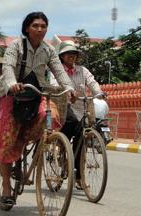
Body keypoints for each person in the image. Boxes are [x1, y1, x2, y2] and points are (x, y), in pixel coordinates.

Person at [0, 12, 76, 204]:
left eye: (43, 26)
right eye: (35, 25)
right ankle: (6, 185)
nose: (40, 29)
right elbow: (7, 67)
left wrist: (69, 88)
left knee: (52, 115)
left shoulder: (48, 50)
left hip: (36, 93)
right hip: (12, 93)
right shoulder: (15, 46)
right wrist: (13, 83)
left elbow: (60, 72)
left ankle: (39, 142)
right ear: (27, 28)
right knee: (6, 137)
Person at [57, 40, 103, 188]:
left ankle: (78, 176)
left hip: (81, 107)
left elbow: (92, 81)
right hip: (63, 107)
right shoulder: (57, 70)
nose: (72, 56)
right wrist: (68, 92)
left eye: (74, 54)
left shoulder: (83, 71)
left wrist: (98, 92)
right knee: (69, 127)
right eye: (68, 53)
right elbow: (53, 84)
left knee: (83, 138)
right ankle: (62, 160)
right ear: (62, 56)